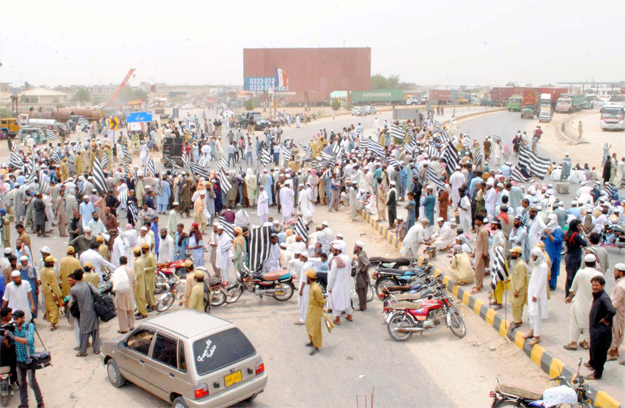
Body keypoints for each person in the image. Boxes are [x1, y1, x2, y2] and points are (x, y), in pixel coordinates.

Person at [564, 254, 603, 351]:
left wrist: (569, 297)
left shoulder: (581, 272)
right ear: (595, 263)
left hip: (580, 302)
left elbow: (573, 287)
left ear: (585, 263)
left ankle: (573, 343)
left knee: (575, 323)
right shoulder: (600, 275)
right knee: (589, 323)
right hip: (593, 304)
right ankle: (585, 343)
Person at [9, 309, 44, 408]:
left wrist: (13, 337)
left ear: (23, 318)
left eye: (17, 319)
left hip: (29, 360)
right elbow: (13, 343)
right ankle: (24, 404)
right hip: (19, 360)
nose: (15, 321)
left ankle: (40, 402)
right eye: (14, 319)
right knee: (22, 384)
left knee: (32, 382)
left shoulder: (29, 326)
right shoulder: (14, 328)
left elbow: (29, 340)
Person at [587, 275, 616, 379]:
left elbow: (612, 311)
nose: (594, 287)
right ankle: (592, 364)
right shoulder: (597, 295)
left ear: (602, 285)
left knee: (599, 352)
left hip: (601, 331)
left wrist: (606, 319)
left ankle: (597, 373)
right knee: (594, 348)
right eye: (593, 285)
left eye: (597, 285)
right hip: (595, 329)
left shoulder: (604, 298)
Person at [69, 269, 100, 357]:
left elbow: (73, 302)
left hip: (83, 312)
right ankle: (96, 349)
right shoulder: (88, 285)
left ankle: (83, 351)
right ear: (82, 277)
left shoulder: (73, 289)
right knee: (95, 330)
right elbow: (98, 292)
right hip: (93, 310)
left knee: (84, 332)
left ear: (74, 278)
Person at [524, 247, 549, 346]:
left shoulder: (543, 266)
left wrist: (536, 295)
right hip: (532, 293)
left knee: (537, 315)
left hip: (537, 295)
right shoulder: (536, 265)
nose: (532, 257)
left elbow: (541, 282)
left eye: (534, 255)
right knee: (532, 313)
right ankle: (532, 330)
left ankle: (537, 336)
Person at [328, 243, 352, 324]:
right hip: (346, 283)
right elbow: (350, 270)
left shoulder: (336, 260)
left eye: (334, 250)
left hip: (337, 284)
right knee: (346, 299)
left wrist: (329, 287)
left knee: (336, 300)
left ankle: (337, 319)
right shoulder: (347, 258)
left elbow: (332, 275)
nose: (332, 252)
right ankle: (349, 315)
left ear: (338, 251)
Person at [112, 256, 136, 334]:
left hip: (120, 294)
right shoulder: (131, 270)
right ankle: (131, 325)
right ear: (127, 261)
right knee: (130, 310)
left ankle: (123, 328)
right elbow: (135, 282)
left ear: (120, 262)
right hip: (129, 292)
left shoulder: (117, 271)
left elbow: (113, 282)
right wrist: (133, 291)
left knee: (122, 311)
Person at [564, 219, 588, 297]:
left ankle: (568, 292)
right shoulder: (576, 236)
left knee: (569, 276)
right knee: (573, 277)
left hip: (569, 255)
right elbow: (584, 243)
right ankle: (570, 294)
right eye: (578, 226)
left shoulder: (568, 233)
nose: (580, 227)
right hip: (575, 257)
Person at [305, 269, 325, 356]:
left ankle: (316, 346)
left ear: (309, 278)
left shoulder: (316, 288)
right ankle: (312, 341)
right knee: (308, 325)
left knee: (315, 329)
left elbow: (321, 301)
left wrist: (320, 310)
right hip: (311, 309)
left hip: (316, 310)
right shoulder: (312, 286)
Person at [507, 246, 528, 330]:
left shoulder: (521, 264)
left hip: (519, 289)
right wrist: (509, 279)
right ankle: (516, 320)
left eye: (513, 253)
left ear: (518, 254)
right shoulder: (516, 262)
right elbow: (515, 274)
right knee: (514, 305)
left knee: (518, 306)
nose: (511, 254)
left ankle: (517, 322)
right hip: (514, 287)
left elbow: (521, 279)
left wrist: (517, 290)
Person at [40, 256, 63, 331]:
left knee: (49, 307)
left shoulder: (42, 271)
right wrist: (58, 295)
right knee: (54, 309)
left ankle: (51, 321)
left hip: (46, 292)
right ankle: (52, 324)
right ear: (50, 263)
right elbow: (54, 285)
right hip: (52, 293)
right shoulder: (51, 272)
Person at [608, 263, 625, 364]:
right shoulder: (621, 283)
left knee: (615, 332)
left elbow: (616, 303)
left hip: (618, 313)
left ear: (621, 272)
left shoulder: (620, 286)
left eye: (615, 271)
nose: (614, 273)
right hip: (621, 312)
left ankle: (613, 352)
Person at [543, 213, 564, 291]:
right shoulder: (548, 228)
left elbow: (556, 241)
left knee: (553, 270)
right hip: (547, 252)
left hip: (554, 253)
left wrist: (548, 233)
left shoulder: (558, 230)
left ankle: (552, 285)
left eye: (549, 220)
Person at [472, 217, 489, 294]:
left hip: (481, 252)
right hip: (477, 251)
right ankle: (479, 284)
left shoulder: (483, 231)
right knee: (479, 269)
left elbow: (486, 243)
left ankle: (478, 286)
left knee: (478, 270)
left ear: (481, 221)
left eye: (477, 220)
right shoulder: (478, 229)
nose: (475, 221)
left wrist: (485, 253)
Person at [353, 241, 370, 311]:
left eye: (355, 247)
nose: (354, 248)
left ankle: (362, 307)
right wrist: (356, 259)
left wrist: (362, 270)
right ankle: (364, 304)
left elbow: (367, 263)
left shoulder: (361, 255)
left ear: (359, 248)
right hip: (363, 275)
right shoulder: (362, 253)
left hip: (361, 276)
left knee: (361, 290)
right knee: (363, 290)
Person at [132, 247, 148, 320]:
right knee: (140, 297)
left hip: (138, 282)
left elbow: (138, 273)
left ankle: (143, 313)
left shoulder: (138, 262)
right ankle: (140, 310)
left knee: (139, 298)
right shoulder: (141, 260)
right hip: (141, 281)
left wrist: (133, 279)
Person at [141, 243, 157, 312]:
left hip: (150, 277)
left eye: (142, 249)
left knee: (150, 291)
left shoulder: (151, 257)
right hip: (145, 276)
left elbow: (154, 267)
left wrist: (146, 269)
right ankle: (149, 304)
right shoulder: (144, 256)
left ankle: (153, 305)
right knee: (146, 292)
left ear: (145, 249)